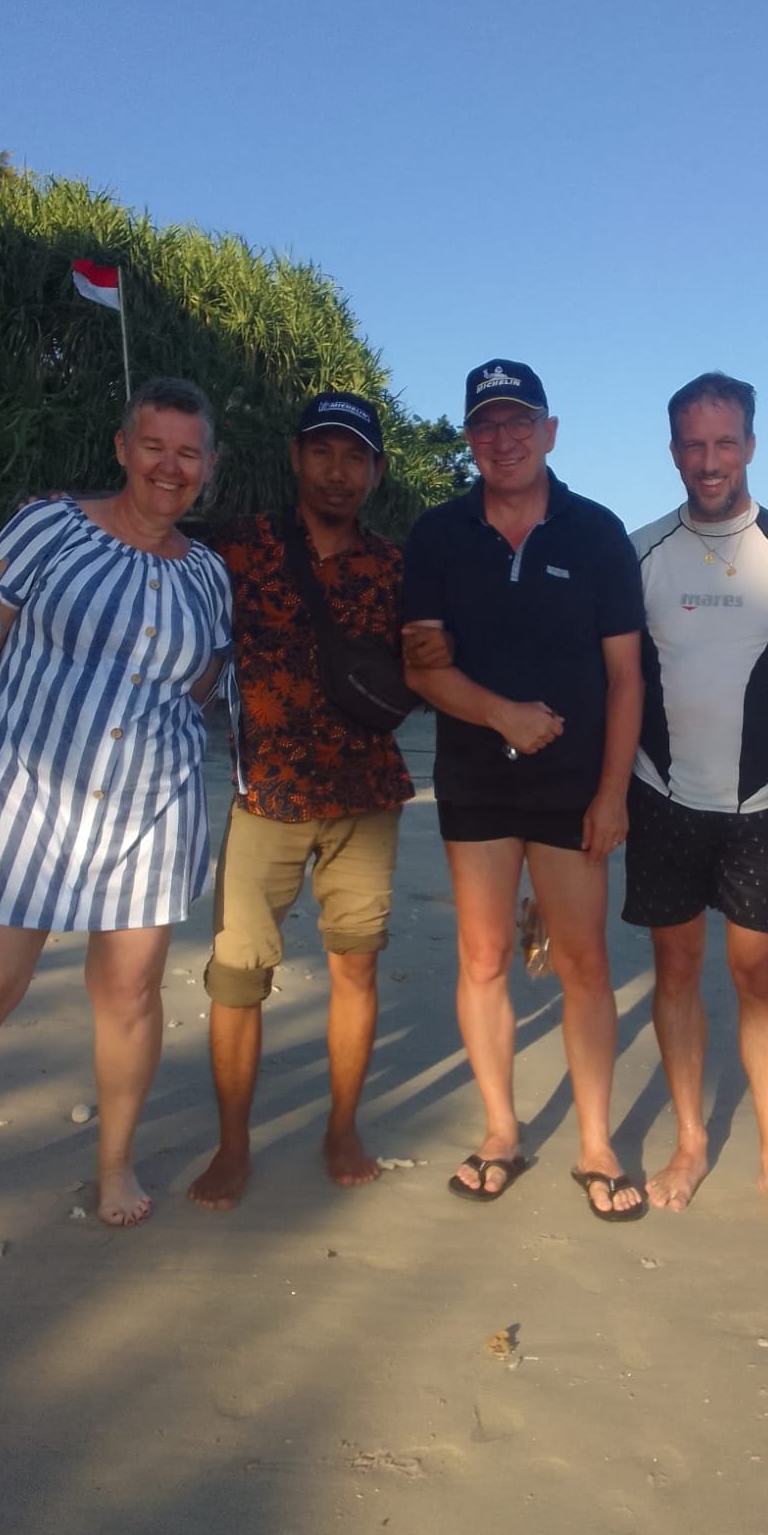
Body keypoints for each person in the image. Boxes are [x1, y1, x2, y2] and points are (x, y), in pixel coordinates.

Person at [0, 377, 233, 1226]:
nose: (169, 467)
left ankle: (114, 1168)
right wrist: (0, 752)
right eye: (154, 446)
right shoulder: (48, 526)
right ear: (122, 448)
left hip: (151, 810)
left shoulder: (210, 575)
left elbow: (202, 686)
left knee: (130, 992)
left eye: (188, 453)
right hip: (24, 800)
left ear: (209, 466)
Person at [401, 360, 647, 1221]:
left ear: (549, 431)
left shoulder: (597, 533)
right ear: (469, 438)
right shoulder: (438, 534)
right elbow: (421, 665)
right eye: (485, 425)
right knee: (483, 958)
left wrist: (614, 793)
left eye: (518, 422)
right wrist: (501, 714)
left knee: (584, 964)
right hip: (474, 782)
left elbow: (626, 676)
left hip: (573, 787)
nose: (502, 439)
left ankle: (596, 1144)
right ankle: (501, 1132)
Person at [188, 392, 447, 1210]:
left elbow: (431, 664)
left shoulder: (398, 566)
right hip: (264, 798)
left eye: (355, 457)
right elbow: (159, 574)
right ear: (297, 458)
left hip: (366, 798)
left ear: (376, 471)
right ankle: (234, 1145)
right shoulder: (238, 548)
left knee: (355, 967)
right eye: (324, 452)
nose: (339, 471)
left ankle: (342, 1127)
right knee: (238, 977)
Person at [624, 372, 768, 1226]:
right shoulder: (641, 551)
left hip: (762, 804)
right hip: (661, 796)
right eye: (694, 444)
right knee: (677, 968)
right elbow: (616, 679)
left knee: (759, 978)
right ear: (672, 451)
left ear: (750, 445)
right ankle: (690, 1142)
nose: (709, 460)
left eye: (725, 443)